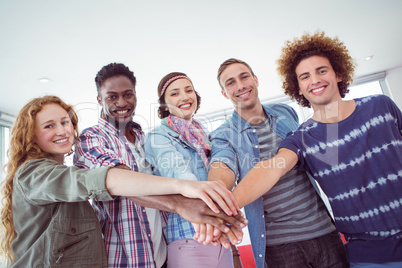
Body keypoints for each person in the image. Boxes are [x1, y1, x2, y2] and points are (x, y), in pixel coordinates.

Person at [0, 96, 239, 267]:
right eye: (48, 126)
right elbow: (101, 179)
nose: (62, 130)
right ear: (31, 133)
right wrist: (183, 190)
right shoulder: (33, 173)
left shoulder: (58, 168)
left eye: (65, 121)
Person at [232, 31, 402, 267]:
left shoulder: (380, 106)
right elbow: (270, 169)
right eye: (305, 76)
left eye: (321, 70)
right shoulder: (303, 139)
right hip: (369, 257)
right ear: (298, 88)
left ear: (338, 73)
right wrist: (226, 206)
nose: (315, 80)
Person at [73, 63, 246, 268]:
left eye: (128, 94)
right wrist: (181, 204)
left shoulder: (144, 139)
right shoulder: (91, 138)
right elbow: (120, 182)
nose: (121, 102)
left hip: (160, 256)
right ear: (99, 100)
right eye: (112, 96)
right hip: (126, 259)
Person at [206, 58, 348, 268]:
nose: (240, 85)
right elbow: (221, 164)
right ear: (224, 93)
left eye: (244, 77)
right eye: (231, 82)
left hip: (324, 230)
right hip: (279, 246)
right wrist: (217, 197)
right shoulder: (223, 135)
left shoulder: (285, 112)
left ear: (255, 79)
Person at [144, 72, 236, 267]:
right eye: (175, 93)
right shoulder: (158, 136)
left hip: (220, 235)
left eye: (189, 90)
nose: (185, 97)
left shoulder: (206, 136)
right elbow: (180, 174)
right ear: (164, 103)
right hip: (188, 236)